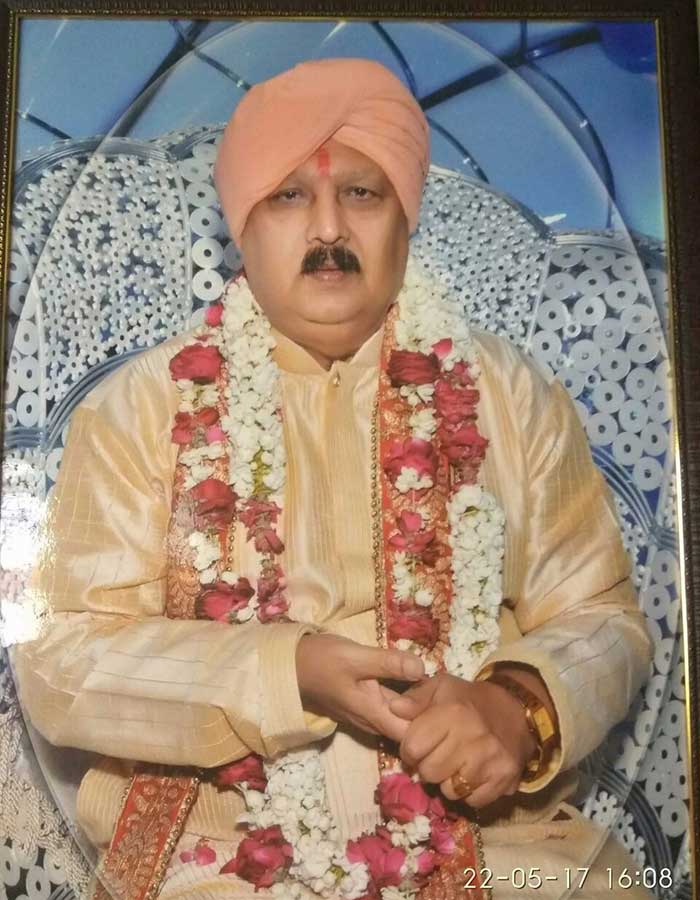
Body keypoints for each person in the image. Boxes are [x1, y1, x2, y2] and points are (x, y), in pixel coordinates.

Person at [12, 58, 653, 900]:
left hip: (491, 845)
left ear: (404, 219)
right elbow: (61, 659)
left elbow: (603, 618)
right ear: (242, 228)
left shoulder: (508, 392)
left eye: (361, 193)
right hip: (217, 855)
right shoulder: (140, 409)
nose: (326, 228)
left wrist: (520, 704)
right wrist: (285, 673)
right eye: (287, 196)